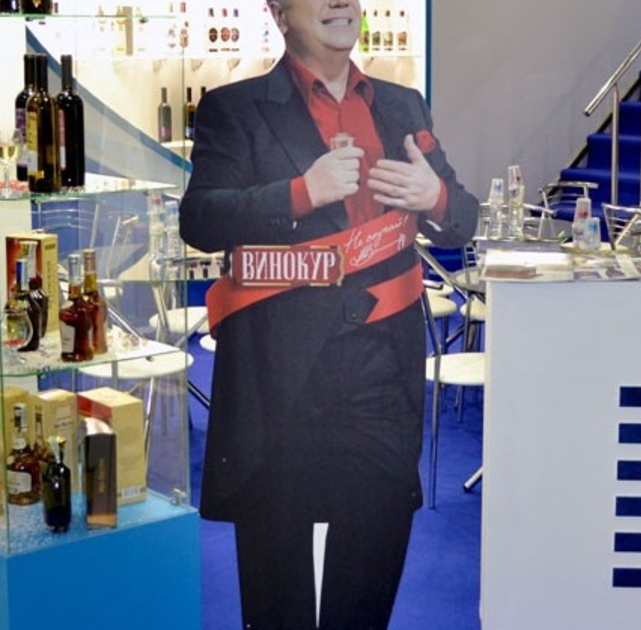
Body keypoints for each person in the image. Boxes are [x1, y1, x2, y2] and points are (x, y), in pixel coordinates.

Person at [178, 0, 480, 627]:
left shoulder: (403, 104)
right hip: (280, 380)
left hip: (382, 378)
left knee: (367, 589)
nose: (342, 2)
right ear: (279, 12)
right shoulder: (234, 107)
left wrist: (435, 197)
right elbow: (201, 220)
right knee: (278, 601)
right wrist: (302, 192)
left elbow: (461, 218)